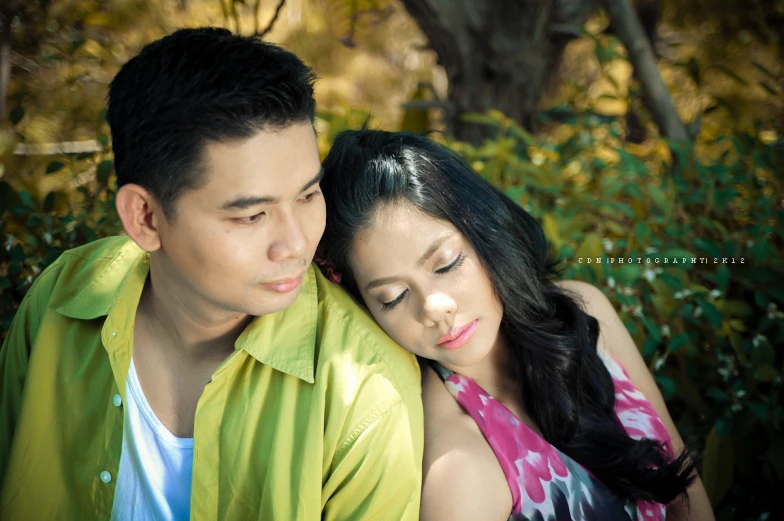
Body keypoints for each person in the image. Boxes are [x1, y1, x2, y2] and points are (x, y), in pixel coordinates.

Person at [0, 29, 424, 521]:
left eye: (308, 196)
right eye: (250, 216)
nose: (296, 244)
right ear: (146, 218)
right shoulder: (63, 295)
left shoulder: (366, 391)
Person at [315, 129, 716, 521]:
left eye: (446, 263)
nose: (434, 307)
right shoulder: (460, 473)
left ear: (486, 232)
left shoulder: (586, 311)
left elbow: (689, 495)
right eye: (393, 297)